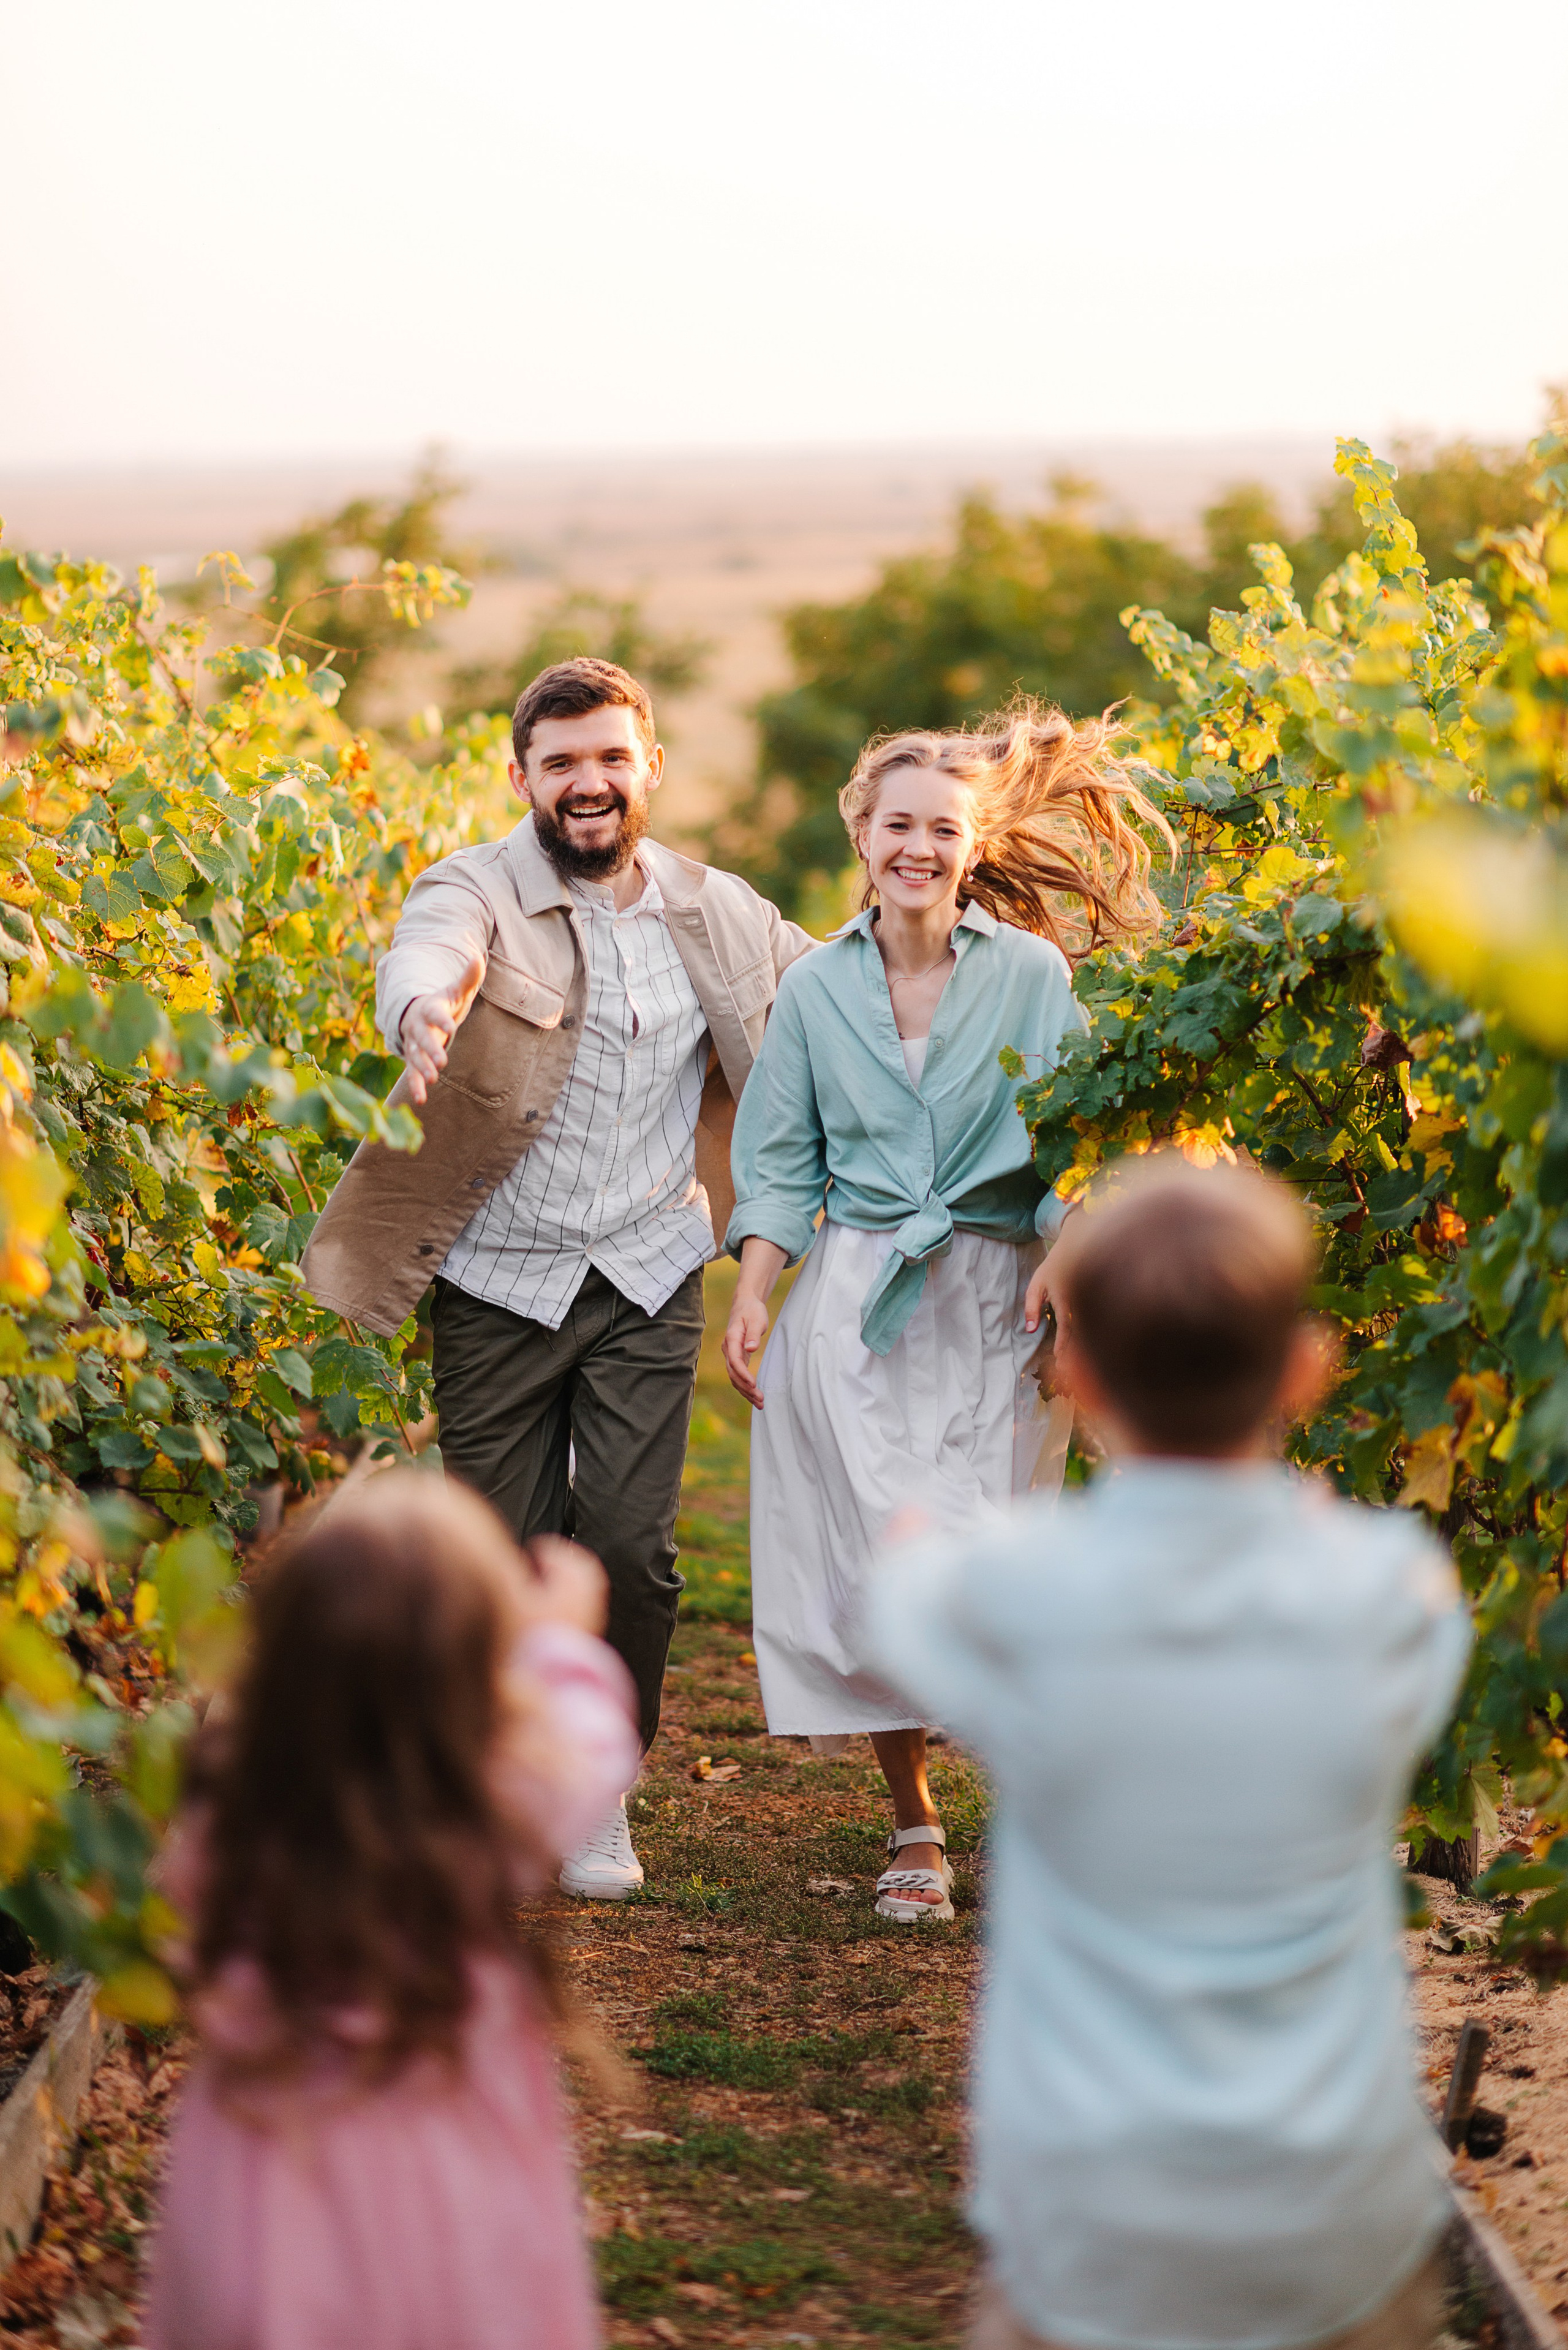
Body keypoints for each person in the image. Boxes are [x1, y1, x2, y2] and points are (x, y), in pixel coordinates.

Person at [864, 1154, 1470, 2350]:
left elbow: (900, 1593)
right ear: (1304, 1366)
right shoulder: (1391, 1591)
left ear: (1076, 1367)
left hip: (1093, 2224)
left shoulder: (1010, 1588)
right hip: (1333, 2222)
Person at [301, 658, 813, 1899]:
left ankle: (597, 1792)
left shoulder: (717, 908)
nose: (588, 783)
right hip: (495, 1274)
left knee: (631, 1549)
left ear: (647, 768)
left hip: (644, 1263)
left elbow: (835, 985)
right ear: (521, 776)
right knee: (499, 1548)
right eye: (561, 763)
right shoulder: (472, 885)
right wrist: (422, 1012)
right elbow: (426, 951)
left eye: (610, 759)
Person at [722, 704, 1170, 1921]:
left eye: (942, 827)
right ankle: (913, 1818)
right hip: (856, 1299)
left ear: (971, 847)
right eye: (896, 822)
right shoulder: (812, 989)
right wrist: (756, 1290)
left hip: (992, 1295)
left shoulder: (1030, 977)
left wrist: (1066, 1244)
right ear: (859, 833)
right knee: (883, 1566)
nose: (916, 845)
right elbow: (776, 1162)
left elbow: (1077, 1139)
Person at [145, 1470, 640, 2350]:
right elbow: (592, 1735)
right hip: (448, 2198)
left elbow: (178, 1900)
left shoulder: (231, 1808)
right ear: (479, 1679)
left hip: (262, 2193)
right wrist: (556, 1638)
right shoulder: (490, 1806)